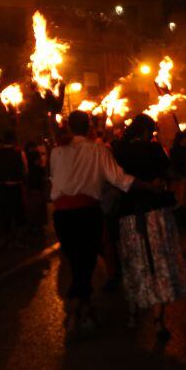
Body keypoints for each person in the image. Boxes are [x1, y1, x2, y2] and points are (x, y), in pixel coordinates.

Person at [49, 111, 156, 336]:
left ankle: (82, 311)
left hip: (62, 215)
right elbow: (119, 179)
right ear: (88, 127)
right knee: (84, 263)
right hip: (87, 212)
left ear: (69, 127)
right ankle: (78, 310)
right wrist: (148, 186)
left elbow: (56, 180)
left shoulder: (57, 151)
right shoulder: (98, 150)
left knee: (77, 262)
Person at [113, 114, 186, 337]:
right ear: (146, 131)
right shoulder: (154, 149)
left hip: (128, 216)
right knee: (158, 264)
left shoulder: (119, 151)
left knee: (134, 264)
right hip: (155, 214)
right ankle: (158, 321)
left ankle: (132, 315)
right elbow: (172, 173)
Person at [0, 130, 26, 243]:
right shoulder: (19, 152)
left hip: (3, 187)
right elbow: (25, 170)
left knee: (5, 212)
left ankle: (7, 238)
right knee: (18, 212)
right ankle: (18, 238)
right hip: (16, 186)